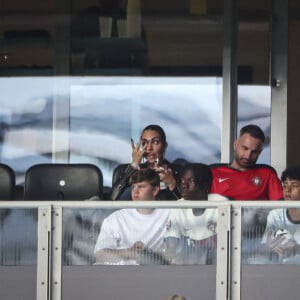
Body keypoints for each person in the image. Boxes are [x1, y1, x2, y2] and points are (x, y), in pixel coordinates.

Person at [94, 168, 170, 265]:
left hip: (154, 273)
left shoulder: (170, 214)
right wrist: (130, 252)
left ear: (155, 190)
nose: (135, 192)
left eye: (141, 186)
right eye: (133, 187)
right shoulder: (116, 218)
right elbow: (99, 255)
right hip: (120, 274)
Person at [164, 163, 228, 264]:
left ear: (205, 185)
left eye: (191, 181)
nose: (184, 185)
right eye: (182, 180)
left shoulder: (222, 204)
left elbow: (223, 247)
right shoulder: (178, 206)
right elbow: (171, 246)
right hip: (185, 267)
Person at [210, 124, 283, 200]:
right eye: (245, 148)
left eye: (254, 152)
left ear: (259, 152)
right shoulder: (212, 173)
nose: (248, 156)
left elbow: (282, 207)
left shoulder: (267, 174)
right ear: (235, 145)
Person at [111, 124, 181, 200]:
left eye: (155, 142)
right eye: (144, 143)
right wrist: (134, 165)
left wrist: (172, 184)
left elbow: (188, 208)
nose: (149, 148)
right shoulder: (134, 171)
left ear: (164, 146)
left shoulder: (178, 172)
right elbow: (112, 200)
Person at [262, 166, 300, 263]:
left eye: (294, 185)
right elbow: (264, 248)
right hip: (279, 271)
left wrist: (297, 249)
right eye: (285, 185)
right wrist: (269, 245)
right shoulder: (275, 215)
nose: (288, 190)